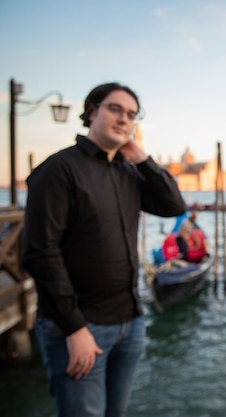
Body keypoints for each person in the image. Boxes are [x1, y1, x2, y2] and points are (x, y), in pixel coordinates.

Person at [21, 82, 187, 417]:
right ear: (92, 111)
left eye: (131, 114)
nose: (124, 119)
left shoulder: (129, 172)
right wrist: (74, 327)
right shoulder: (58, 170)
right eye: (115, 109)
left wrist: (141, 157)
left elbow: (173, 205)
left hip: (130, 321)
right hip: (80, 326)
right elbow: (40, 253)